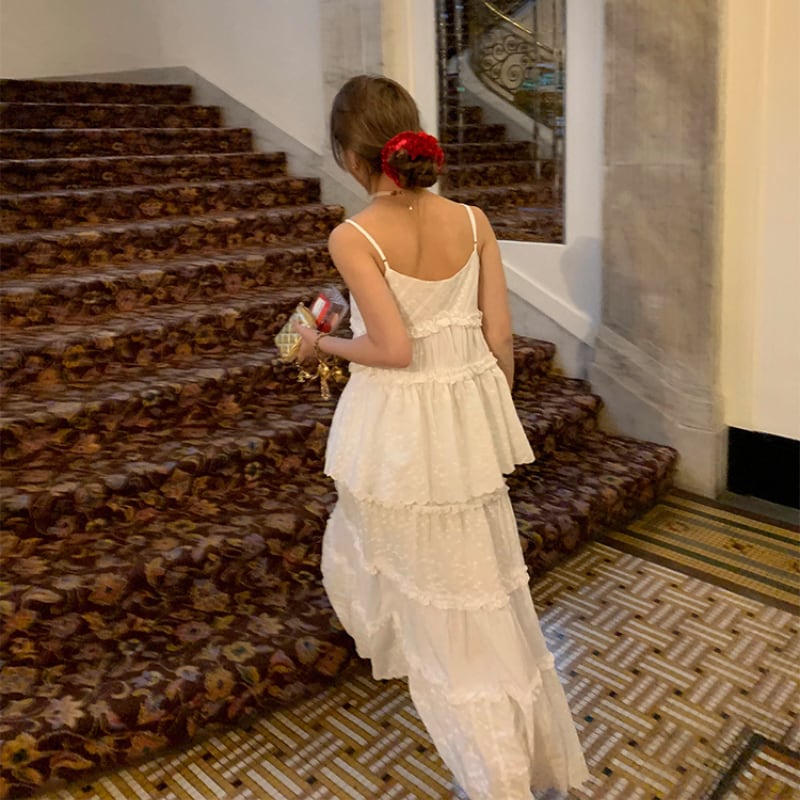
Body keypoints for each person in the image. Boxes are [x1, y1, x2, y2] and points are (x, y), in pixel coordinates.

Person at [293, 74, 589, 800]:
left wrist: (319, 345)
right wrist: (485, 418)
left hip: (397, 433)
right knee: (479, 591)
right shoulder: (475, 220)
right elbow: (501, 338)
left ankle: (495, 778)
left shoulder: (353, 235)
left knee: (424, 591)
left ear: (348, 154)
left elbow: (393, 348)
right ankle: (523, 761)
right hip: (462, 432)